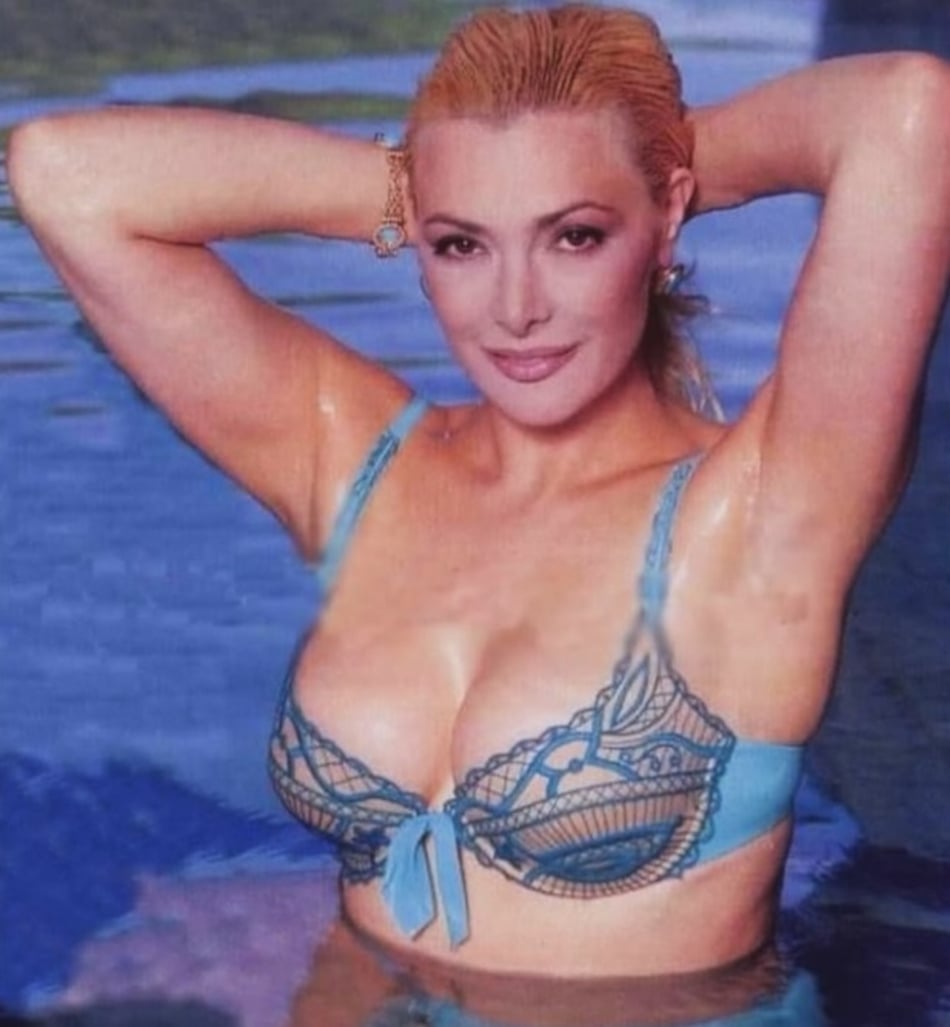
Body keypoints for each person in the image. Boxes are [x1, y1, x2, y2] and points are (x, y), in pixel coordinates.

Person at [8, 0, 949, 993]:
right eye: (463, 246)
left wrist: (637, 165)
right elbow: (64, 172)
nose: (515, 307)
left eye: (574, 235)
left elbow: (905, 111)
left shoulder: (760, 519)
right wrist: (422, 185)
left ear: (664, 221)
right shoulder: (358, 465)